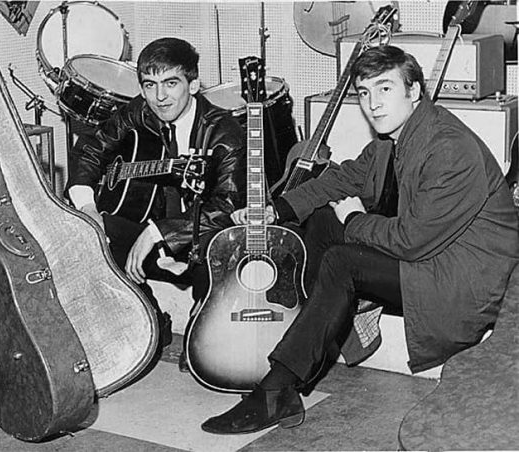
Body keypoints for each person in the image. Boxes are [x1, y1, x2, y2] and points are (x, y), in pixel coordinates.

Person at [201, 45, 519, 434]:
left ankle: (277, 389)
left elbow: (411, 241)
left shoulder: (448, 148)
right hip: (432, 257)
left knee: (343, 259)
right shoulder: (395, 137)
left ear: (414, 90)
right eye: (364, 93)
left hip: (463, 278)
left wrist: (354, 218)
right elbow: (345, 177)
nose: (373, 104)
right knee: (320, 223)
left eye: (385, 89)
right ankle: (305, 333)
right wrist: (276, 210)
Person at [65, 37, 246, 366]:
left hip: (205, 238)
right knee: (88, 235)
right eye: (149, 85)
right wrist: (88, 208)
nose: (159, 97)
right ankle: (149, 318)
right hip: (154, 218)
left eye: (171, 83)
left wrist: (157, 232)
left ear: (193, 85)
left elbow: (227, 207)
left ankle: (202, 321)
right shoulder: (141, 110)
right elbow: (91, 149)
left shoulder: (225, 132)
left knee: (217, 248)